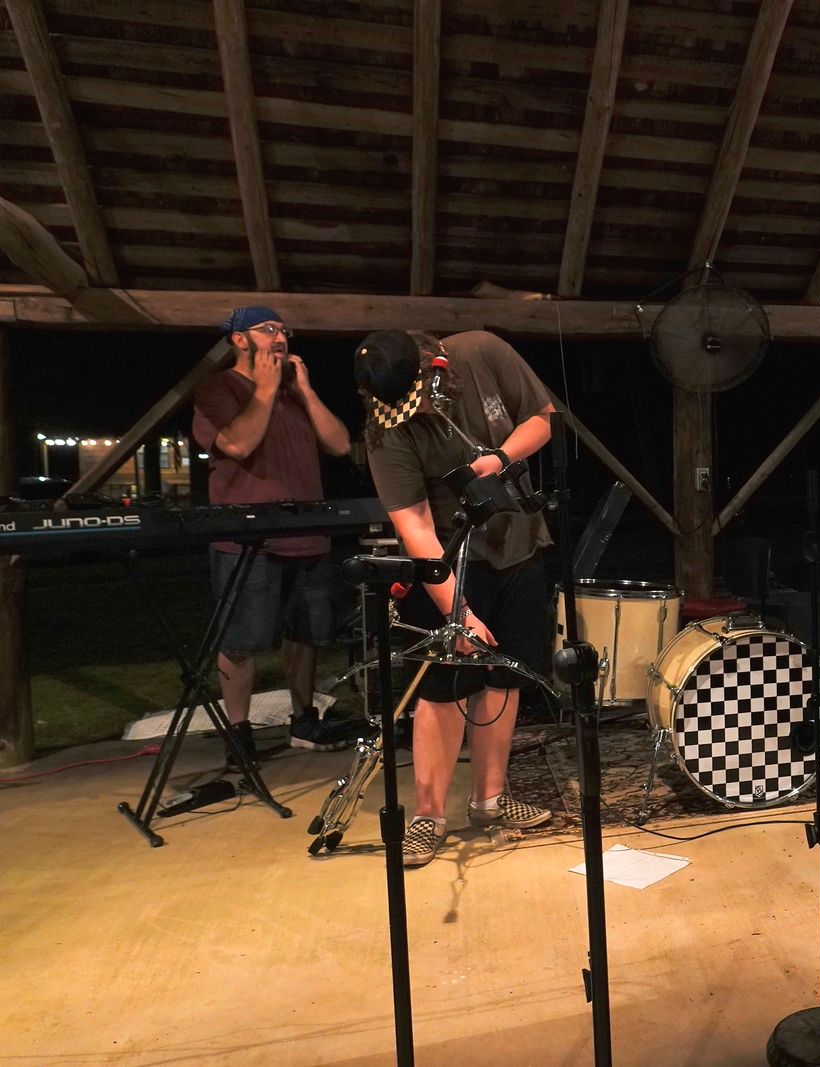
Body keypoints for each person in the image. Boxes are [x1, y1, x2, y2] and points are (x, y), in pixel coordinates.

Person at [354, 328, 557, 868]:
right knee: (442, 687)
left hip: (518, 544)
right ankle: (428, 815)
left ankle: (490, 800)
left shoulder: (481, 351)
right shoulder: (384, 430)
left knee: (504, 674)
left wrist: (501, 458)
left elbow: (542, 418)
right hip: (448, 561)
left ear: (433, 365)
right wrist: (458, 612)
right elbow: (415, 527)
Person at [192, 306, 355, 764]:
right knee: (241, 640)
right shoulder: (218, 388)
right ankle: (239, 732)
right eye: (267, 329)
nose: (280, 337)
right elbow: (237, 443)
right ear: (239, 340)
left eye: (284, 330)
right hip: (246, 539)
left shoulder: (293, 392)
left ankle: (304, 720)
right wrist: (264, 390)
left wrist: (305, 391)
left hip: (307, 531)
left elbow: (340, 443)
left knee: (305, 634)